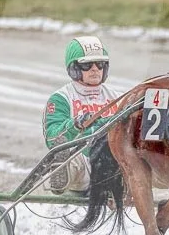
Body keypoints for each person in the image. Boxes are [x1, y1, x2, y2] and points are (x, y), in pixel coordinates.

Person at [43, 35, 121, 194]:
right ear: (74, 68)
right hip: (82, 162)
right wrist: (75, 124)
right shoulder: (60, 99)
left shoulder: (116, 97)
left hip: (115, 163)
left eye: (100, 64)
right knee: (71, 157)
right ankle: (61, 175)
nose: (95, 69)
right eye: (87, 65)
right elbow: (52, 137)